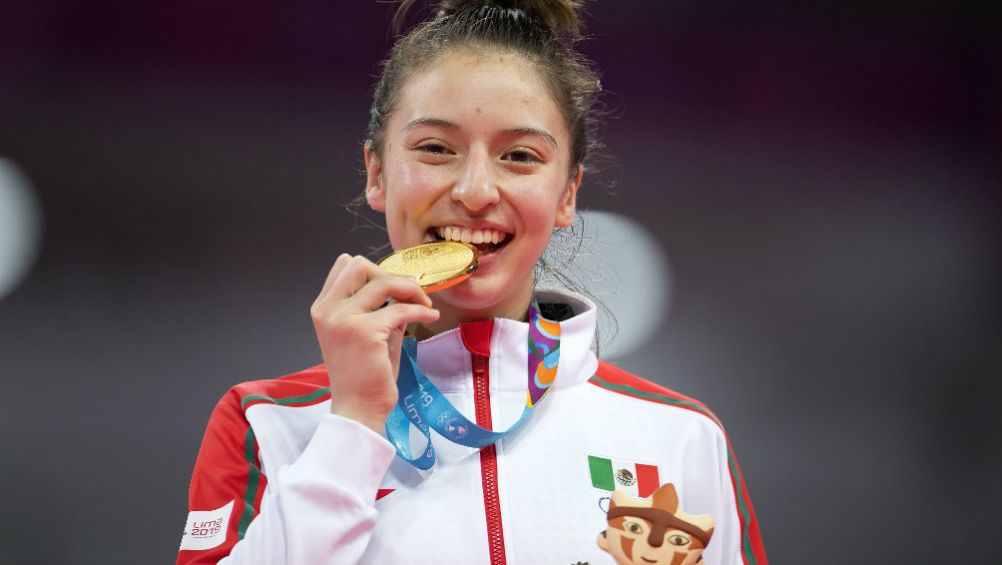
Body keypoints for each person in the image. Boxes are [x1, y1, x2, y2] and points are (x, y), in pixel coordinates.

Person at [176, 1, 768, 564]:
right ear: (376, 173)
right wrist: (352, 423)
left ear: (567, 194)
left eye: (520, 157)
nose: (476, 191)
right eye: (436, 148)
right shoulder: (269, 421)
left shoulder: (681, 437)